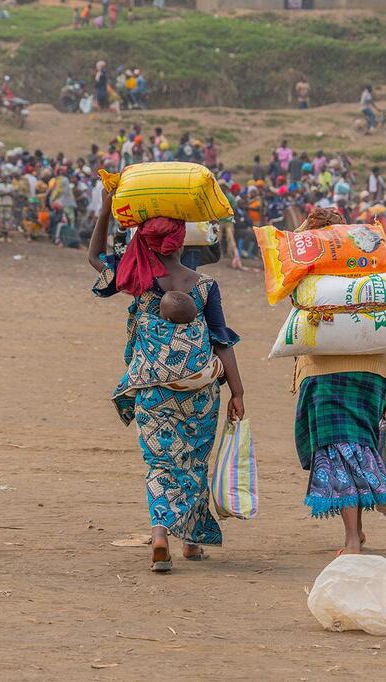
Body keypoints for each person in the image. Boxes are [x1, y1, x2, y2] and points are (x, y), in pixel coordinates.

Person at [87, 190, 245, 573]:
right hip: (199, 391)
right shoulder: (205, 285)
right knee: (193, 460)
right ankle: (191, 543)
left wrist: (107, 208)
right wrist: (238, 392)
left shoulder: (137, 278)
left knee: (160, 462)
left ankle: (160, 536)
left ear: (146, 242)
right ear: (181, 242)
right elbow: (220, 339)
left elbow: (94, 257)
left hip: (152, 388)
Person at [290, 209, 386, 555]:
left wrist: (303, 232)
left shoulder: (310, 276)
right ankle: (359, 532)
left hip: (327, 373)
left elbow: (284, 270)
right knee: (357, 445)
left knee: (339, 450)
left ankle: (352, 538)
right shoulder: (368, 266)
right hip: (371, 371)